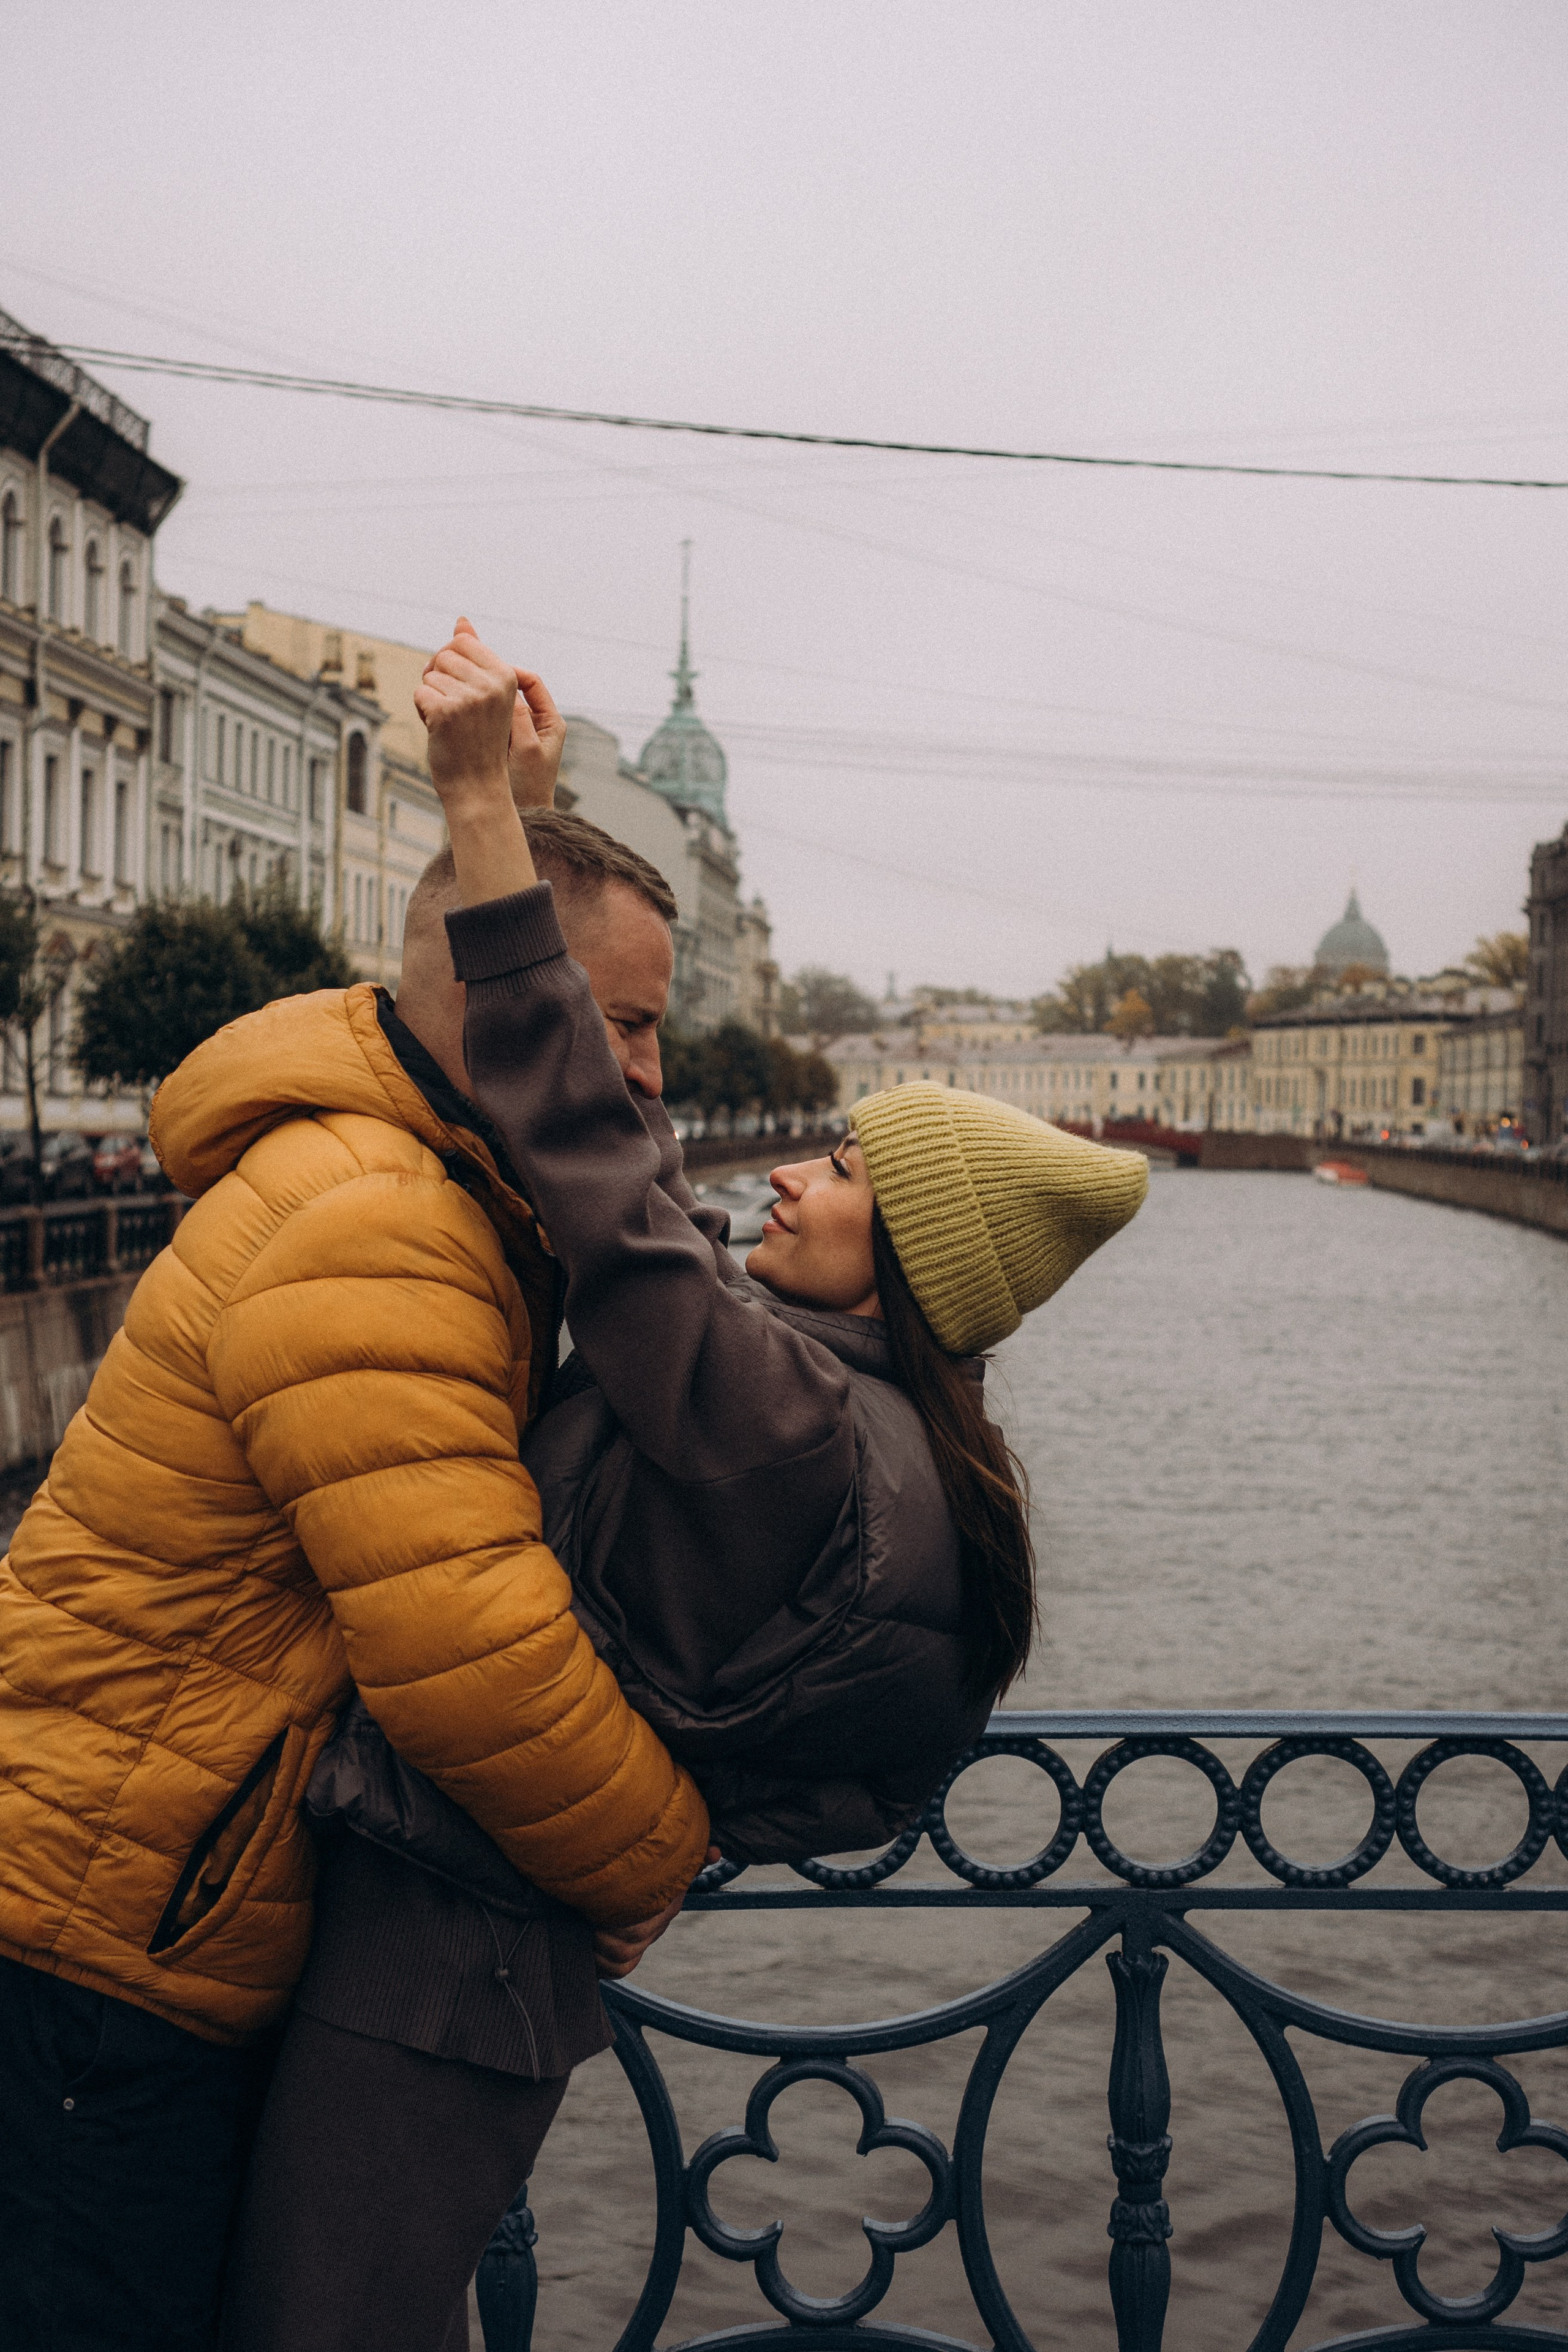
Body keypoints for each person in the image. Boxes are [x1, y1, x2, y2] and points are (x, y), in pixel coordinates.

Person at [245, 620, 1147, 2352]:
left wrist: (488, 821)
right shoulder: (900, 1448)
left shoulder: (784, 1419)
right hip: (498, 1948)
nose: (792, 1175)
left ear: (913, 1257)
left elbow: (603, 1166)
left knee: (310, 2323)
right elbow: (864, 1771)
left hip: (431, 1941)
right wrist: (666, 1822)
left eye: (846, 1170)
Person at [0, 664, 710, 2352]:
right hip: (97, 1943)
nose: (648, 1071)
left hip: (122, 1902)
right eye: (620, 1022)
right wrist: (655, 1856)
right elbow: (468, 1648)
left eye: (654, 1027)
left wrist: (510, 814)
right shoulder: (384, 1223)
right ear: (500, 997)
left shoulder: (417, 1180)